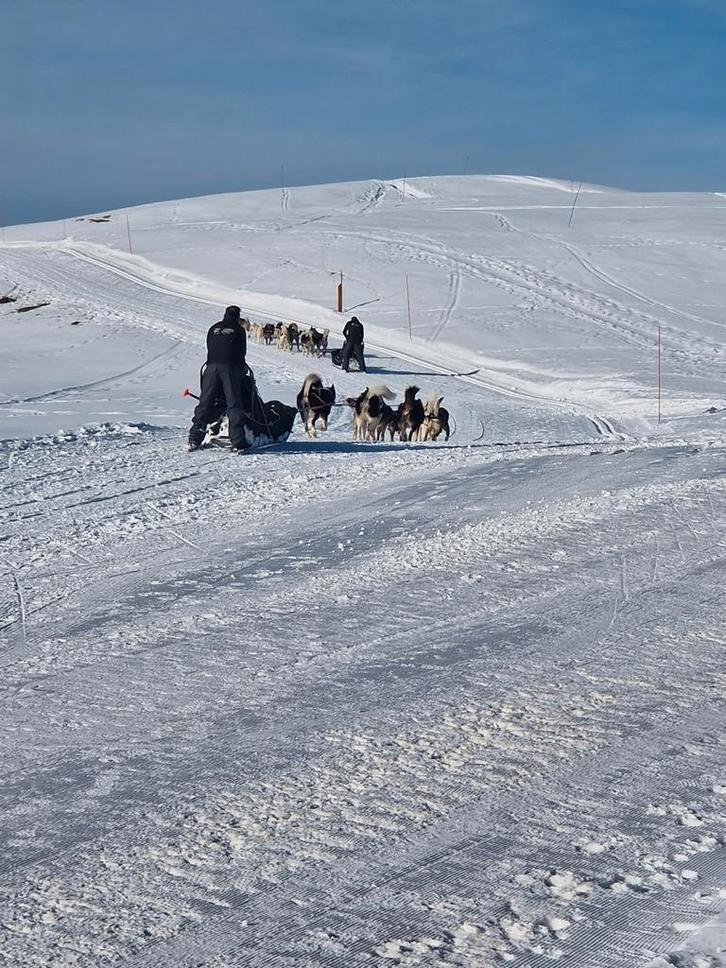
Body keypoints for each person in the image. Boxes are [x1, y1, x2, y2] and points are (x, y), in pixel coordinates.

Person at [188, 306, 249, 451]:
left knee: (205, 402)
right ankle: (238, 440)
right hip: (230, 368)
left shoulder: (213, 328)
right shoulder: (239, 330)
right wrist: (242, 369)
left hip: (210, 368)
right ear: (237, 316)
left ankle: (195, 437)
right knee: (234, 403)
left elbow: (210, 346)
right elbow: (241, 352)